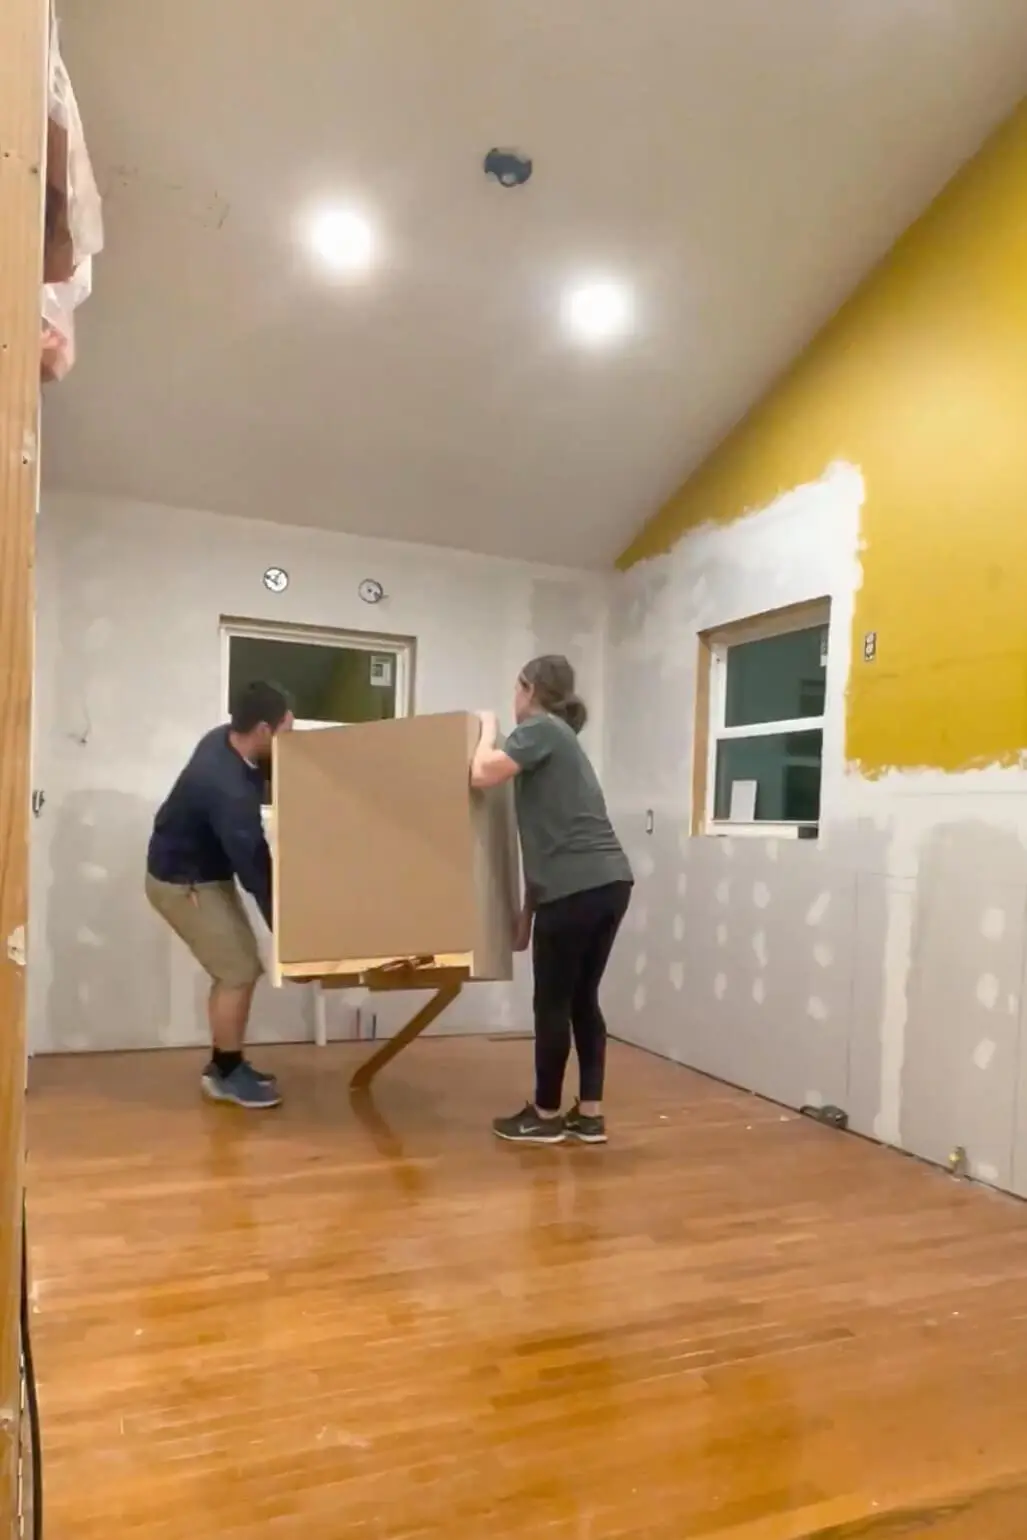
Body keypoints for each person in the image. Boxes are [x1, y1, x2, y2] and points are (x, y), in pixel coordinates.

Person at [470, 655, 632, 1145]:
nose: (513, 699)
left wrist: (487, 727)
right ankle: (590, 1115)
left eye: (515, 690)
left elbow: (480, 775)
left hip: (576, 888)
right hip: (608, 883)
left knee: (553, 1003)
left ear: (529, 689)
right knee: (582, 998)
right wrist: (526, 916)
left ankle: (544, 1115)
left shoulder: (539, 728)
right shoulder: (560, 738)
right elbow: (546, 841)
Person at [145, 681, 294, 1110]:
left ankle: (226, 1064)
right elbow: (255, 870)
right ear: (264, 729)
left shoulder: (224, 739)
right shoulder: (226, 788)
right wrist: (289, 930)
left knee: (242, 965)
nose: (290, 737)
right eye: (287, 728)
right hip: (183, 884)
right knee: (238, 971)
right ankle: (225, 1074)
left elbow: (261, 779)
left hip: (203, 871)